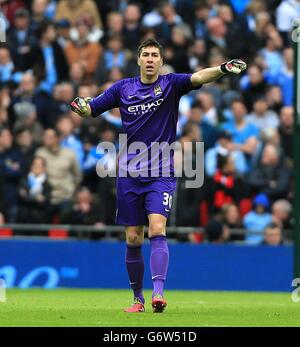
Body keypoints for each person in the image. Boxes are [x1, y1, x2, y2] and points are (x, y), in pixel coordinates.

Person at [70, 38, 247, 313]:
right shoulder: (122, 88)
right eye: (146, 55)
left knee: (157, 229)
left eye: (155, 55)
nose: (151, 59)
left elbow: (200, 76)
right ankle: (138, 299)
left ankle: (159, 293)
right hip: (129, 172)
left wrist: (223, 68)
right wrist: (82, 107)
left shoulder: (171, 84)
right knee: (133, 239)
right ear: (139, 60)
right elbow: (92, 108)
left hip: (161, 172)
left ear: (161, 62)